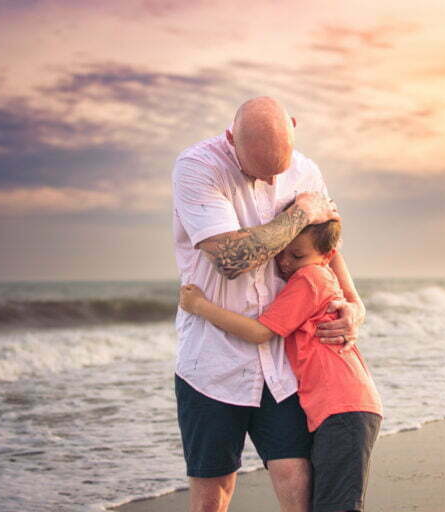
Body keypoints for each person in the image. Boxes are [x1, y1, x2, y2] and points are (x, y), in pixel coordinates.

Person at [172, 96, 366, 512]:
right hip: (212, 362)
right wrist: (299, 216)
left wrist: (353, 304)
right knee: (213, 492)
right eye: (257, 170)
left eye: (279, 168)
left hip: (282, 359)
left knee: (297, 479)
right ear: (231, 140)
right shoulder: (197, 167)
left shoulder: (307, 171)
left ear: (294, 128)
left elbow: (327, 248)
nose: (272, 179)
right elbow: (229, 260)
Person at [180, 217, 383, 512]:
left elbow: (260, 332)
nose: (286, 263)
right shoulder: (317, 275)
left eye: (297, 255)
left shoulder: (311, 278)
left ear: (328, 256)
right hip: (340, 406)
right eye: (281, 252)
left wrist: (200, 306)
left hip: (344, 407)